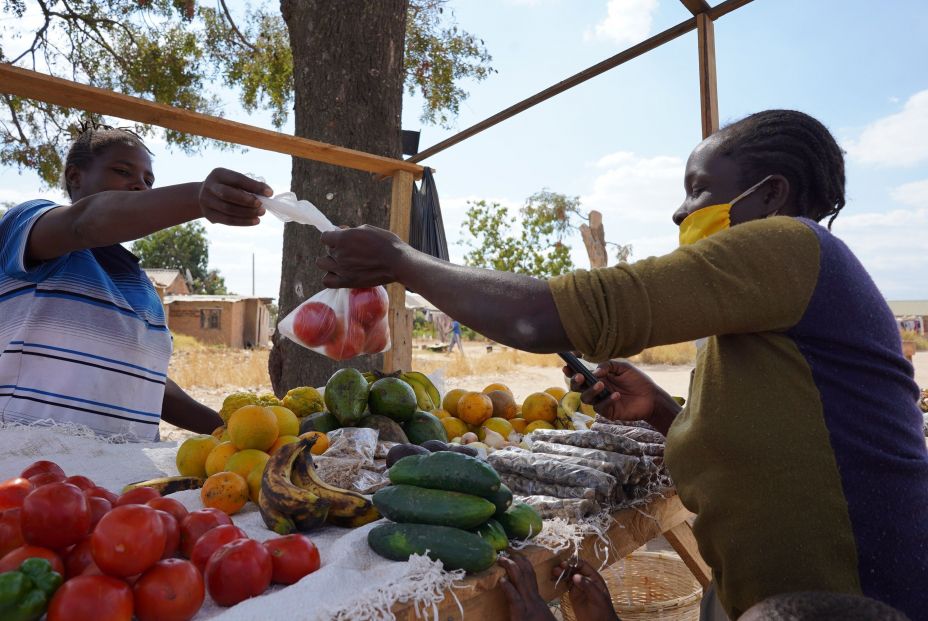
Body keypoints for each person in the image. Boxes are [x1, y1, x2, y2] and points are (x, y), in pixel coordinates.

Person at [316, 109, 928, 621]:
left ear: (770, 193)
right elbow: (779, 441)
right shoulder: (756, 305)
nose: (679, 211)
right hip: (762, 591)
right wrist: (662, 413)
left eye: (699, 188)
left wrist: (401, 259)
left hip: (852, 595)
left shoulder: (789, 245)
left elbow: (551, 314)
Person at [0, 124, 271, 441]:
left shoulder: (142, 287)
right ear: (75, 177)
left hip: (123, 479)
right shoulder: (29, 225)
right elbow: (84, 223)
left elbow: (150, 383)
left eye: (148, 180)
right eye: (122, 171)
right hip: (29, 472)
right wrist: (197, 197)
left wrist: (234, 432)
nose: (140, 186)